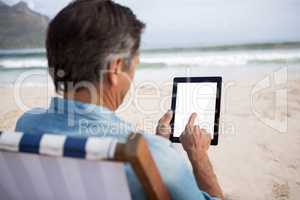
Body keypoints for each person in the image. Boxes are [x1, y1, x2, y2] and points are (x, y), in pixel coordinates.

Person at [15, 0, 224, 199]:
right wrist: (198, 157)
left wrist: (158, 143)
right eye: (135, 64)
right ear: (115, 69)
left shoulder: (26, 125)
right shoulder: (158, 157)